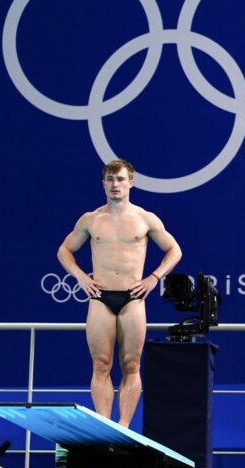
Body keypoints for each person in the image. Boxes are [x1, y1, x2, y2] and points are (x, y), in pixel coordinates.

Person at [57, 159, 182, 427]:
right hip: (100, 299)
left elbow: (175, 250)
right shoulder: (91, 219)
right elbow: (64, 251)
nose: (116, 185)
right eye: (111, 180)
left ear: (131, 183)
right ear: (103, 183)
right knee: (101, 364)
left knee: (132, 365)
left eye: (121, 179)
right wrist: (80, 277)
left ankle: (123, 427)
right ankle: (105, 427)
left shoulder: (145, 219)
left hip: (133, 299)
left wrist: (154, 278)